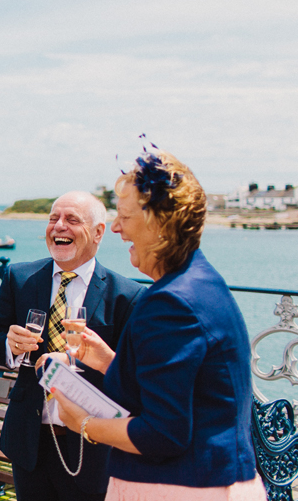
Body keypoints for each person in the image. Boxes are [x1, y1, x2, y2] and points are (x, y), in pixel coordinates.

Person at [49, 150, 265, 500]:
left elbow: (163, 433)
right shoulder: (203, 282)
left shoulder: (169, 303)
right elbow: (183, 389)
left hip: (180, 488)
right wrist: (108, 362)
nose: (117, 228)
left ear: (158, 224)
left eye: (124, 217)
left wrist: (83, 425)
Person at [0, 191, 144, 501]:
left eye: (72, 220)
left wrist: (75, 364)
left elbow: (132, 375)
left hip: (92, 447)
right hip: (30, 440)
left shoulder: (126, 296)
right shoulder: (20, 278)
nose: (59, 227)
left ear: (98, 233)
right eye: (53, 218)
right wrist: (9, 346)